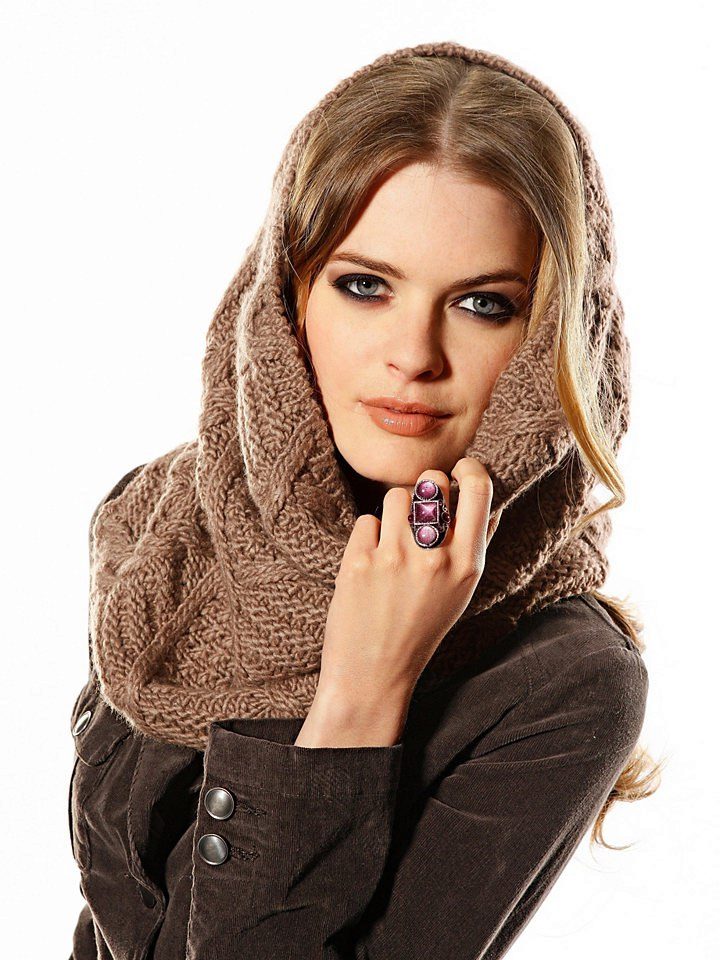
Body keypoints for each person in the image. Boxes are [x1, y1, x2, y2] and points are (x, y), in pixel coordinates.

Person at [68, 40, 660, 960]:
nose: (414, 354)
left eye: (483, 304)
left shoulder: (566, 681)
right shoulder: (166, 528)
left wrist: (363, 693)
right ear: (286, 296)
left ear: (551, 337)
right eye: (365, 286)